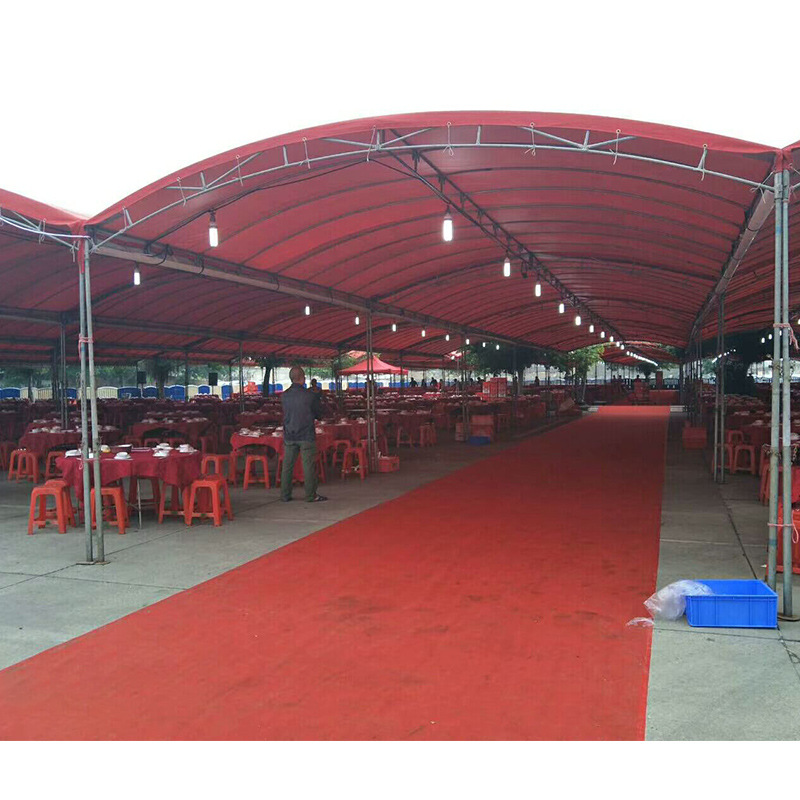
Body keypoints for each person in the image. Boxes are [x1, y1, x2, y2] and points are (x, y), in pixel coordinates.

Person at [280, 366, 326, 503]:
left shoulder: (284, 395)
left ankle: (285, 494)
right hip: (306, 434)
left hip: (289, 434)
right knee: (308, 466)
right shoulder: (310, 396)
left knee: (287, 466)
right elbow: (319, 414)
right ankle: (311, 495)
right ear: (303, 378)